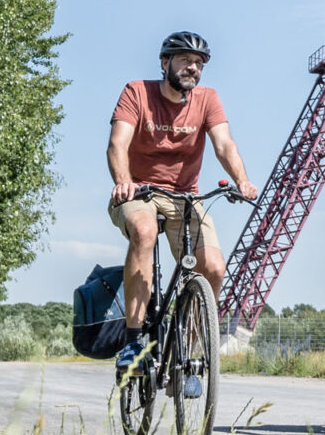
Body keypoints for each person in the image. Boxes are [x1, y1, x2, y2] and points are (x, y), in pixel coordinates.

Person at [105, 31, 260, 382]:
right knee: (144, 232)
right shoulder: (136, 92)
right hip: (138, 192)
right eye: (185, 60)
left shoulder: (207, 100)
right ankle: (133, 341)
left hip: (185, 197)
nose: (193, 67)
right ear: (165, 63)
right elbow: (117, 144)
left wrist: (242, 180)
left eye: (199, 63)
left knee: (214, 268)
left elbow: (224, 144)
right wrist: (124, 182)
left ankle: (187, 355)